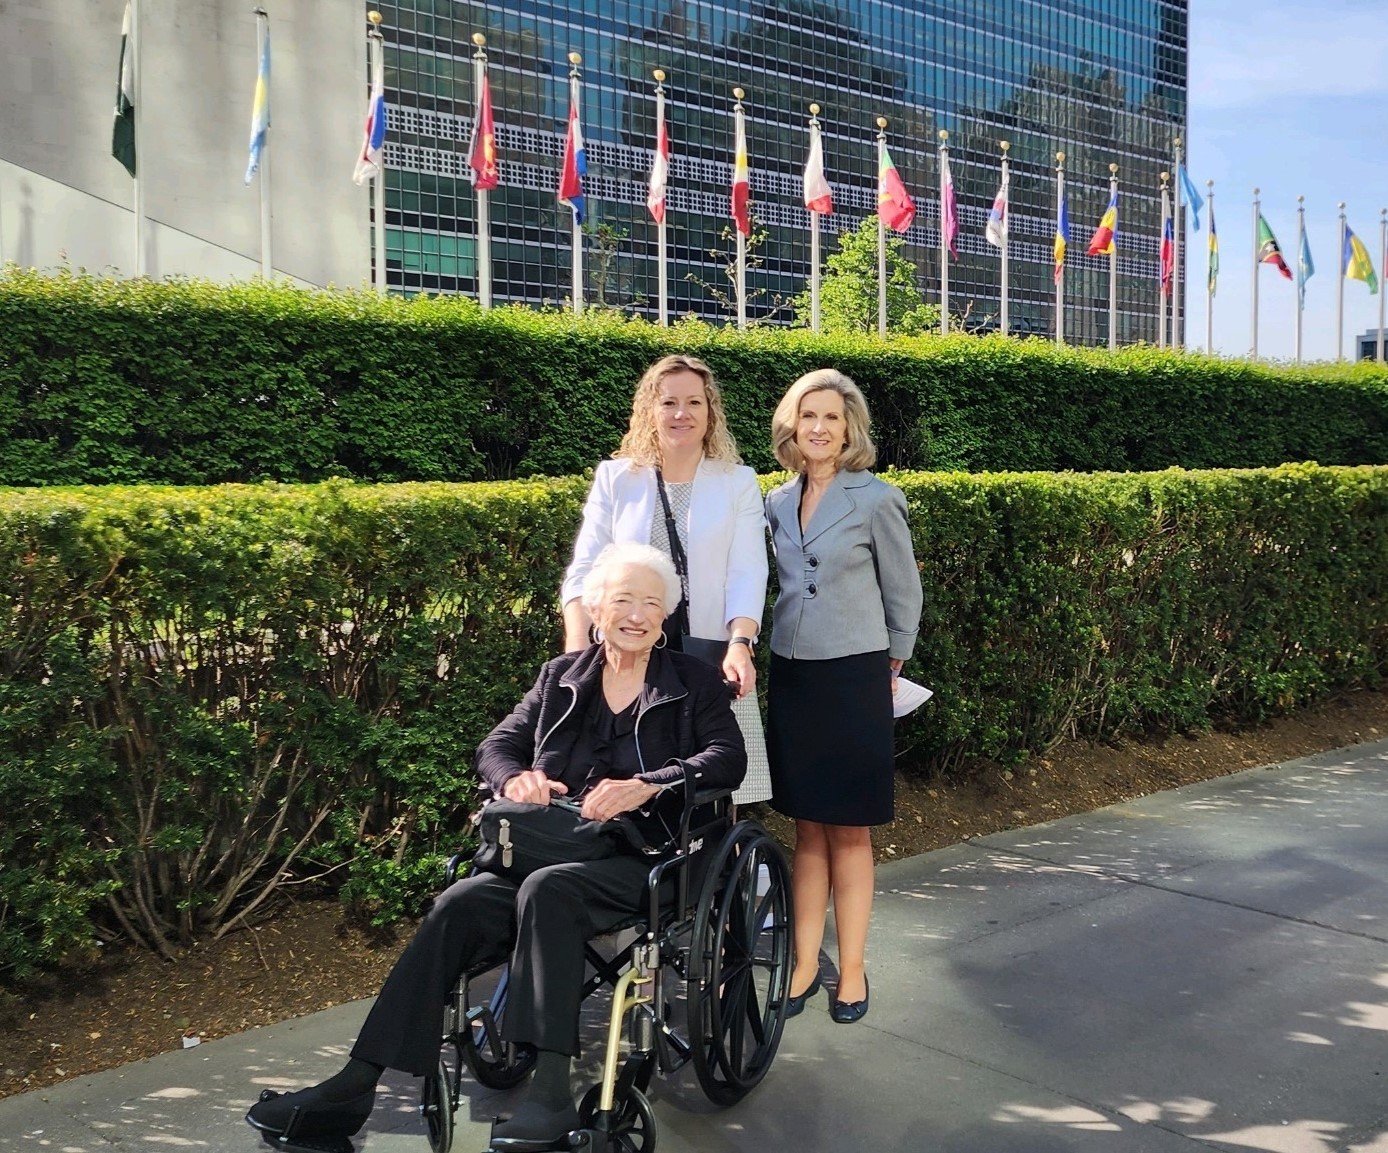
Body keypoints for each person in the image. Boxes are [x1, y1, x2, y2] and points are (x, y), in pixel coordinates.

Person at [245, 542, 745, 1148]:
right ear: (595, 607)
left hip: (642, 859)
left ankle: (552, 1092)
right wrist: (514, 778)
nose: (636, 614)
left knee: (547, 890)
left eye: (650, 603)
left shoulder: (691, 681)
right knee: (456, 904)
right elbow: (497, 745)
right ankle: (356, 1082)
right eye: (622, 600)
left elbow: (726, 759)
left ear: (666, 615)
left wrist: (646, 786)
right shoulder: (562, 676)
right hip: (547, 843)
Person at [763, 369, 922, 1026]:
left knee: (849, 829)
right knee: (805, 826)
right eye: (808, 417)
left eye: (831, 417)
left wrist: (893, 656)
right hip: (794, 674)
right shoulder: (773, 502)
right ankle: (804, 962)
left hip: (857, 675)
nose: (819, 428)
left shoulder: (877, 498)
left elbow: (903, 589)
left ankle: (850, 968)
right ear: (792, 428)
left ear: (849, 427)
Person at [561, 353, 771, 803]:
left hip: (707, 649)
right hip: (625, 647)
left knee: (714, 777)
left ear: (710, 411)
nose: (681, 414)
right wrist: (577, 649)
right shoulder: (617, 478)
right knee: (623, 765)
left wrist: (741, 643)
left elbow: (748, 570)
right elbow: (585, 568)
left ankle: (714, 864)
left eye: (694, 402)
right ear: (649, 410)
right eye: (669, 402)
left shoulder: (738, 482)